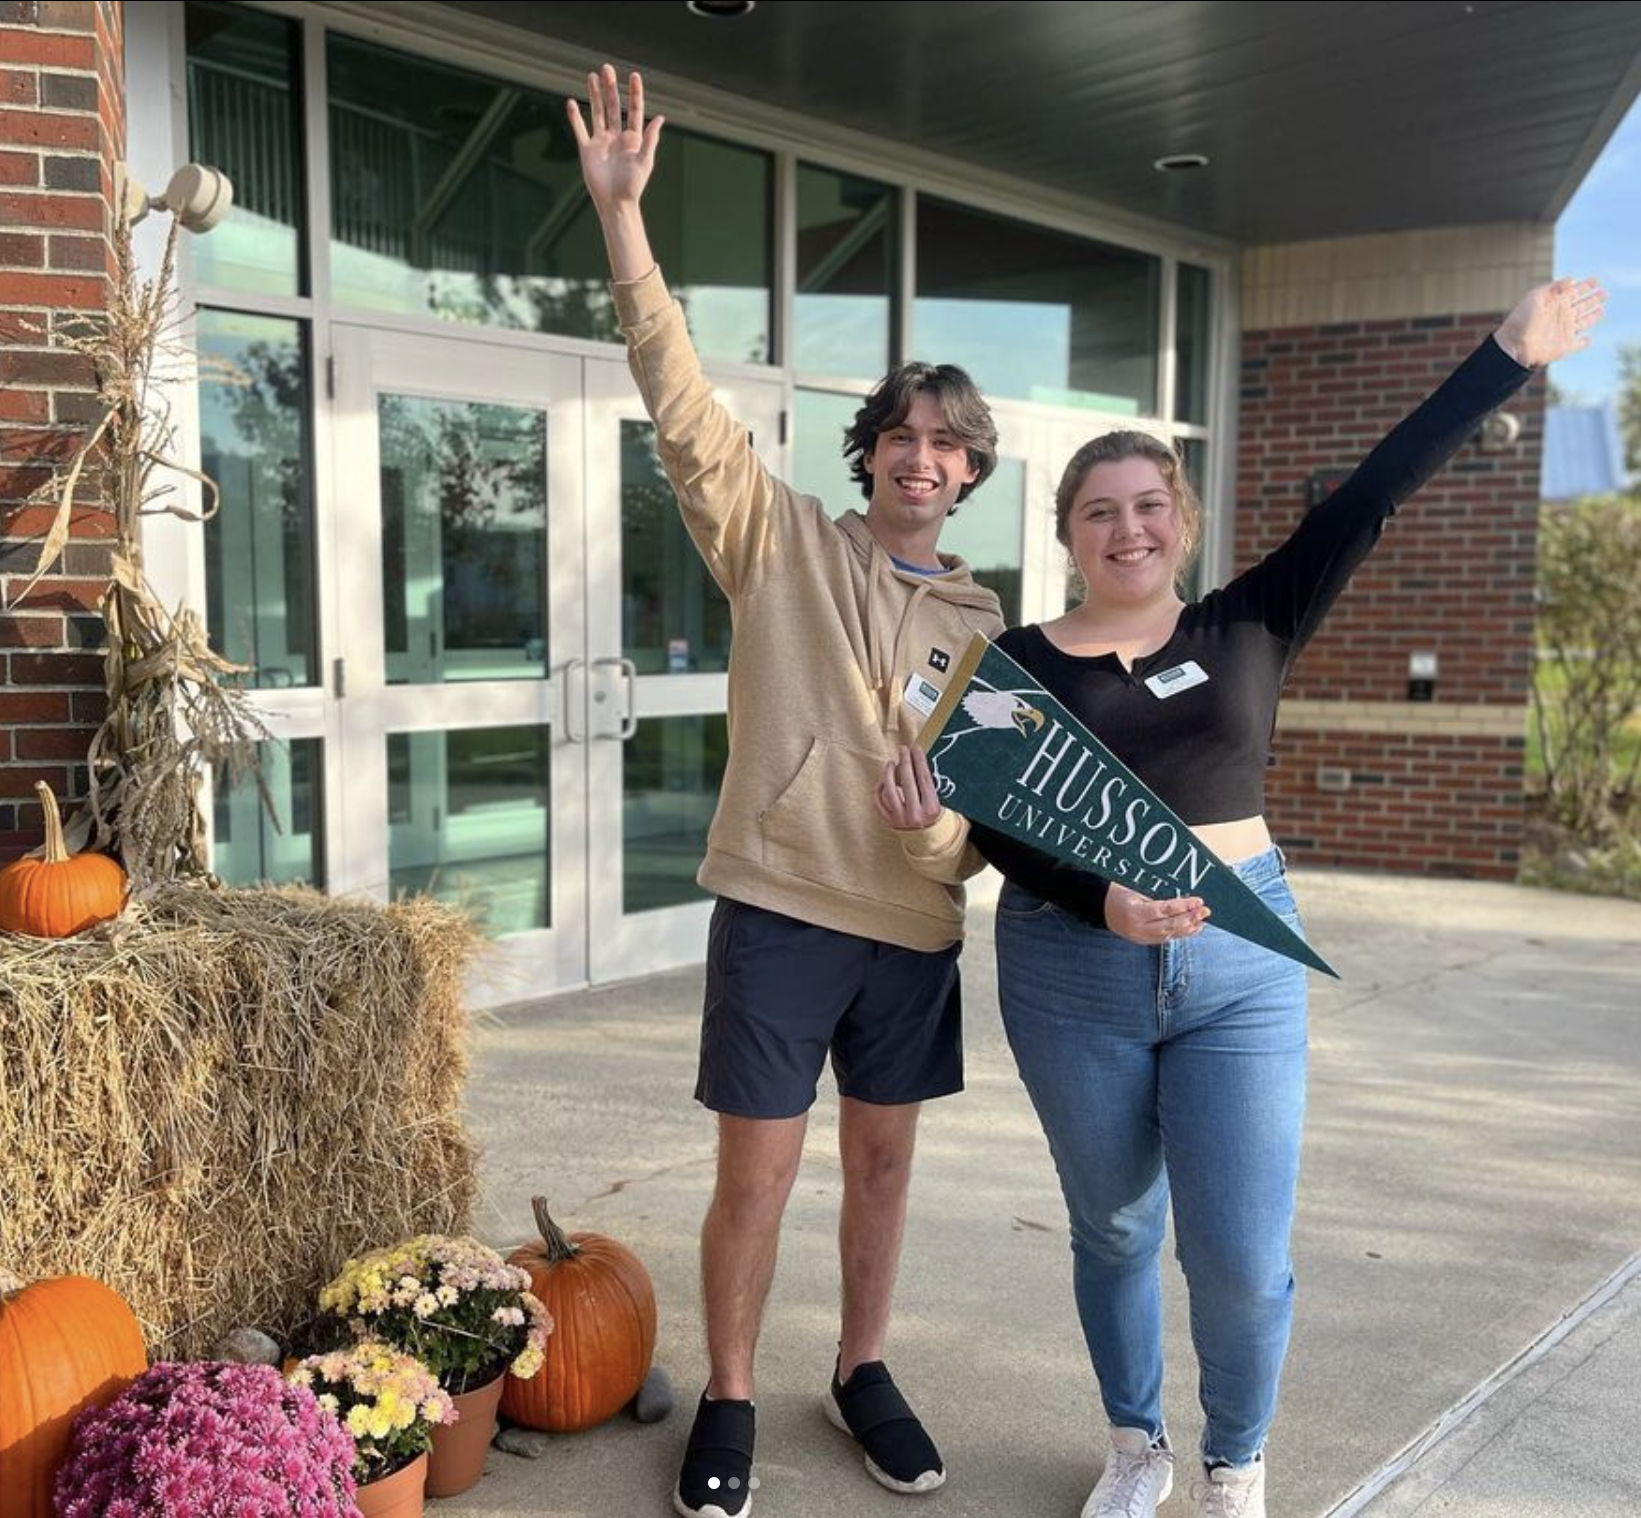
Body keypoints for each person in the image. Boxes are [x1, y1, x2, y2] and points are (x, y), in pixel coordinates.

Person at [878, 278, 1605, 1518]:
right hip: (1070, 965)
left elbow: (1373, 491)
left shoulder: (1251, 620)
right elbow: (1000, 823)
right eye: (1099, 512)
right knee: (1111, 1231)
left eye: (1148, 505)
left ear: (1186, 519)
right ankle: (1134, 1445)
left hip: (1238, 968)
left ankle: (1233, 1464)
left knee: (1240, 1259)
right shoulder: (1018, 666)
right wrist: (1081, 891)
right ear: (1066, 533)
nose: (1126, 530)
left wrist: (1504, 357)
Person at [568, 65, 1007, 1518]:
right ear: (870, 447)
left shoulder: (984, 627)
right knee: (753, 1178)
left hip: (913, 926)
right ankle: (736, 1389)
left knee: (879, 1173)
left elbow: (980, 819)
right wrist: (625, 226)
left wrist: (931, 825)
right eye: (905, 432)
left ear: (966, 473)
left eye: (948, 443)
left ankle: (861, 1368)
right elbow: (682, 406)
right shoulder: (780, 545)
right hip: (779, 907)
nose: (923, 456)